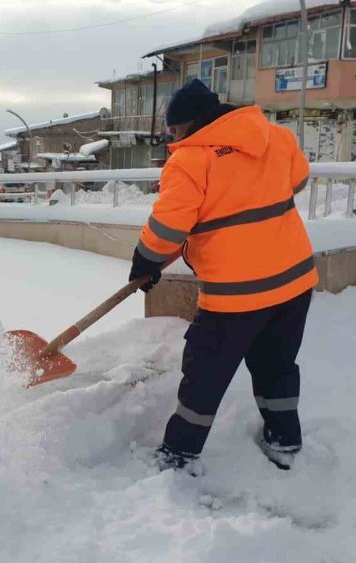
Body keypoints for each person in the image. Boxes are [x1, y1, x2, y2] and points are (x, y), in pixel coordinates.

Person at [128, 80, 318, 475]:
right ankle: (284, 440)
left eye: (174, 131)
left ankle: (178, 455)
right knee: (276, 365)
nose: (172, 138)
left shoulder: (190, 161)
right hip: (294, 281)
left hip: (236, 294)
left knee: (204, 375)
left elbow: (168, 226)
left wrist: (145, 262)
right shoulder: (274, 137)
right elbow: (298, 178)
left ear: (190, 124)